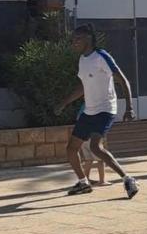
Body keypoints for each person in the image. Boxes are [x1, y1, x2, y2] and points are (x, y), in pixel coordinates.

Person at [55, 24, 138, 198]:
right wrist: (64, 102)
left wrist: (129, 107)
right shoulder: (82, 60)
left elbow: (123, 80)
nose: (73, 42)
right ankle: (83, 183)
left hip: (105, 109)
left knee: (95, 146)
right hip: (89, 111)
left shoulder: (102, 56)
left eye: (77, 39)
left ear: (88, 39)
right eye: (73, 39)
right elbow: (83, 87)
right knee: (71, 148)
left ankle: (128, 179)